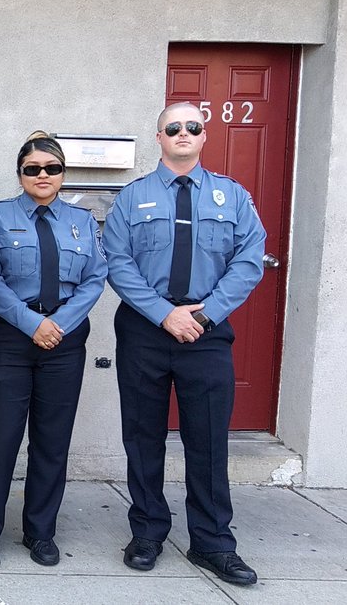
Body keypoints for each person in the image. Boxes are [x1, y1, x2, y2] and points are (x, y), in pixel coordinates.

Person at [103, 102, 266, 586]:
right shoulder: (132, 198)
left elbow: (249, 261)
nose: (182, 133)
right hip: (145, 331)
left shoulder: (232, 197)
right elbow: (117, 261)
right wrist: (163, 313)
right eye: (173, 127)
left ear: (204, 136)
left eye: (192, 127)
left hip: (207, 331)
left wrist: (205, 312)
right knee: (143, 437)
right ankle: (148, 533)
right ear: (159, 137)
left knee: (209, 441)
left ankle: (213, 543)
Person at [0, 132, 107, 570]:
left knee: (52, 441)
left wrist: (57, 325)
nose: (42, 175)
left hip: (63, 341)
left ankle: (40, 531)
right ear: (20, 174)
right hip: (10, 337)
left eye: (52, 168)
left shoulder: (81, 221)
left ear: (63, 174)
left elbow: (94, 278)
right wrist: (32, 324)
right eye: (33, 169)